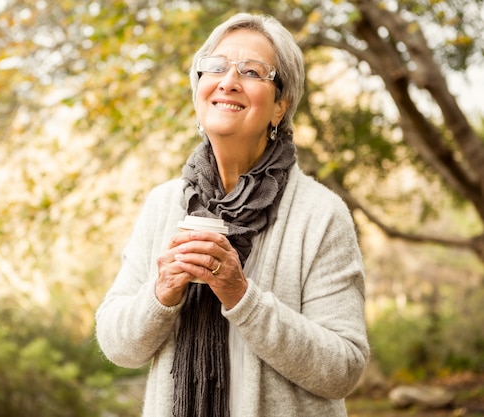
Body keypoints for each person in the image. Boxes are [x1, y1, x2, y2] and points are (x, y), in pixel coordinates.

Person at [95, 12, 369, 417]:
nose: (228, 80)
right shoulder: (163, 204)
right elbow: (118, 344)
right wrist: (162, 292)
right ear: (198, 90)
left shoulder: (321, 214)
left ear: (281, 105)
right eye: (216, 67)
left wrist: (242, 296)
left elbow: (343, 369)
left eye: (252, 71)